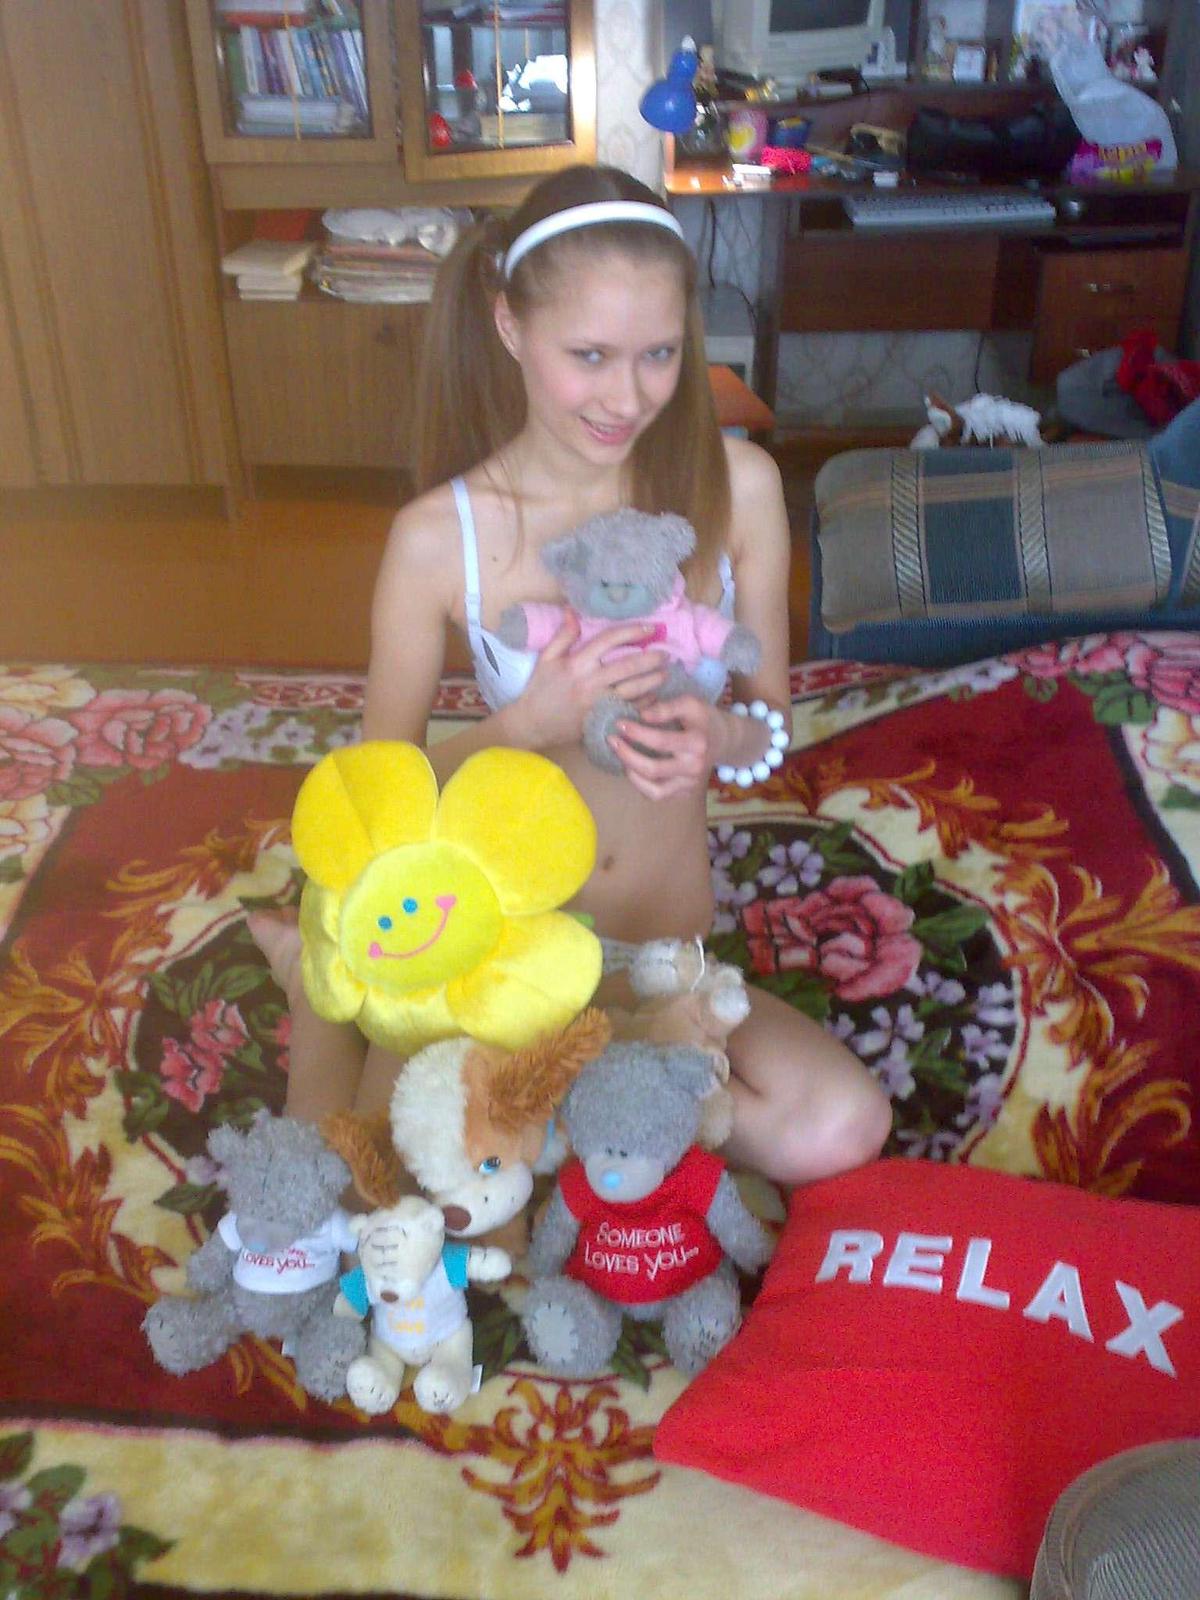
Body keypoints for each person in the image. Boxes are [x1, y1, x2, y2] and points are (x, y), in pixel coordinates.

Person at [253, 163, 890, 1187]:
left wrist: (721, 737)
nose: (627, 397)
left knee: (840, 1127)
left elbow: (769, 719)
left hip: (659, 964)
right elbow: (370, 801)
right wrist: (526, 724)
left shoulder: (741, 488)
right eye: (588, 355)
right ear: (511, 326)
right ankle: (313, 976)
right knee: (373, 1178)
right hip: (500, 954)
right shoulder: (440, 537)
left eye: (659, 355)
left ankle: (521, 1075)